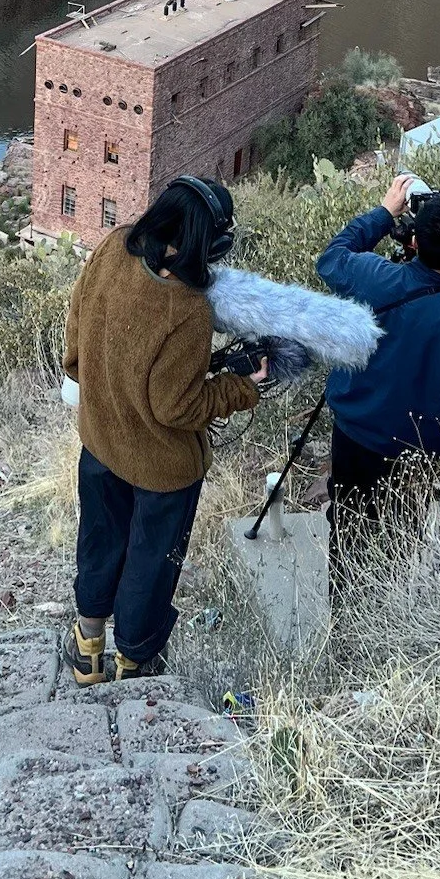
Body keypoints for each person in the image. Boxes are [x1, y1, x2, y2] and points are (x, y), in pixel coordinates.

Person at [62, 174, 267, 683]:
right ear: (208, 243)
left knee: (99, 540)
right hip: (161, 469)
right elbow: (177, 408)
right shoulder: (188, 309)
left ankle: (87, 648)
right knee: (150, 564)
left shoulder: (112, 248)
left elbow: (75, 340)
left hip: (100, 441)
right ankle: (134, 660)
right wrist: (243, 386)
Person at [317, 172, 440, 583]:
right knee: (397, 541)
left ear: (411, 240)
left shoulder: (373, 276)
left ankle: (342, 626)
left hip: (353, 437)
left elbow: (330, 259)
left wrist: (383, 213)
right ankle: (387, 624)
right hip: (413, 456)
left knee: (348, 531)